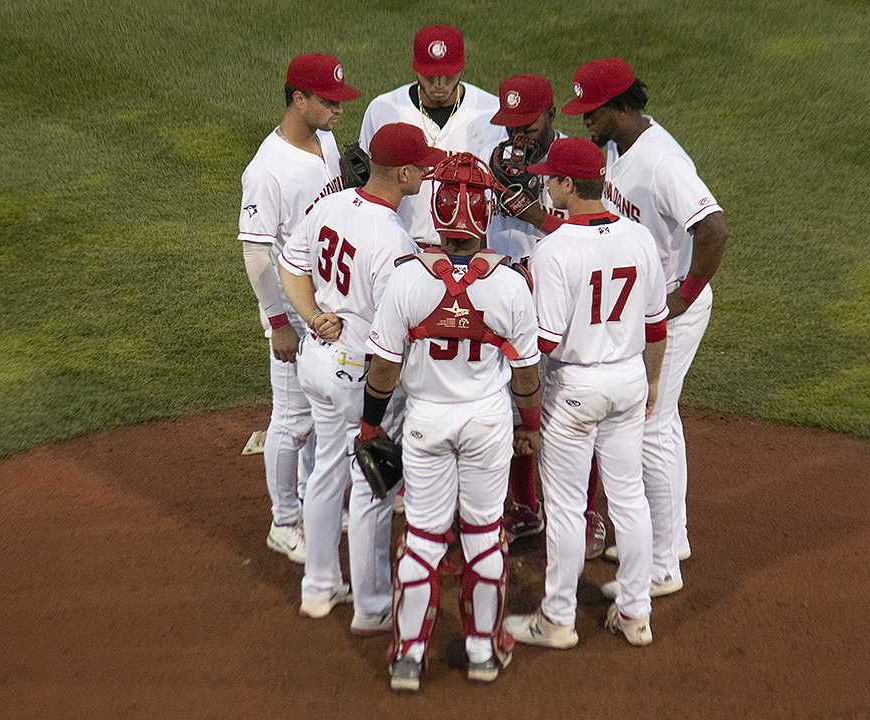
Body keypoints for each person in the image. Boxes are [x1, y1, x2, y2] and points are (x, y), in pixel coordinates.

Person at [360, 152, 541, 692]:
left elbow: (384, 368)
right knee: (486, 537)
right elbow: (527, 376)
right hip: (487, 425)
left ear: (437, 215)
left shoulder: (407, 280)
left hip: (425, 424)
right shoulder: (510, 284)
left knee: (422, 537)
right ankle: (483, 650)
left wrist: (370, 426)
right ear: (485, 212)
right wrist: (528, 424)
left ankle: (408, 658)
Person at [560, 58, 728, 597]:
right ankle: (670, 537)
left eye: (594, 110)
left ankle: (661, 567)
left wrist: (685, 294)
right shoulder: (619, 147)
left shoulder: (662, 163)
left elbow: (714, 229)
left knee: (652, 422)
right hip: (645, 305)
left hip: (670, 310)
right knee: (663, 418)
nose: (586, 120)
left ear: (624, 106)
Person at [277, 123, 446, 633]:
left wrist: (310, 315)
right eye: (421, 166)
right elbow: (394, 332)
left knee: (327, 470)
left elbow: (291, 266)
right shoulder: (391, 239)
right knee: (372, 484)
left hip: (317, 362)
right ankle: (372, 606)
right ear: (401, 172)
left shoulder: (332, 204)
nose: (427, 173)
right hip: (358, 376)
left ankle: (319, 586)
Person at [504, 137, 668, 649]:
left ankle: (557, 620)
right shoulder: (640, 237)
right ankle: (636, 613)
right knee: (629, 498)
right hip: (629, 380)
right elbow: (657, 325)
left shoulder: (554, 250)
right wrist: (654, 381)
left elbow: (544, 344)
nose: (545, 183)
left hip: (576, 388)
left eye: (551, 177)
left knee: (568, 508)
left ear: (570, 185)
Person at [238, 53, 361, 564]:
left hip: (328, 303)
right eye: (329, 101)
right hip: (293, 311)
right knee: (290, 420)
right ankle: (283, 520)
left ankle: (314, 498)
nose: (338, 109)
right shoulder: (267, 170)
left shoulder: (327, 141)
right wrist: (275, 323)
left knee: (323, 410)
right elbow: (255, 253)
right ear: (299, 99)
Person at [485, 74, 606, 558]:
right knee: (519, 405)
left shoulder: (578, 163)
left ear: (552, 113)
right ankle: (524, 507)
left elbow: (595, 228)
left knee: (575, 410)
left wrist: (536, 215)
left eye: (528, 123)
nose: (519, 135)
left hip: (567, 299)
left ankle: (588, 513)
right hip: (513, 298)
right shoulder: (498, 160)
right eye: (511, 124)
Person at [358, 24, 506, 249]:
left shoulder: (491, 112)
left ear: (463, 66)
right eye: (430, 76)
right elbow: (369, 179)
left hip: (466, 252)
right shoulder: (383, 108)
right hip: (396, 243)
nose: (440, 84)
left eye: (448, 75)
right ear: (415, 66)